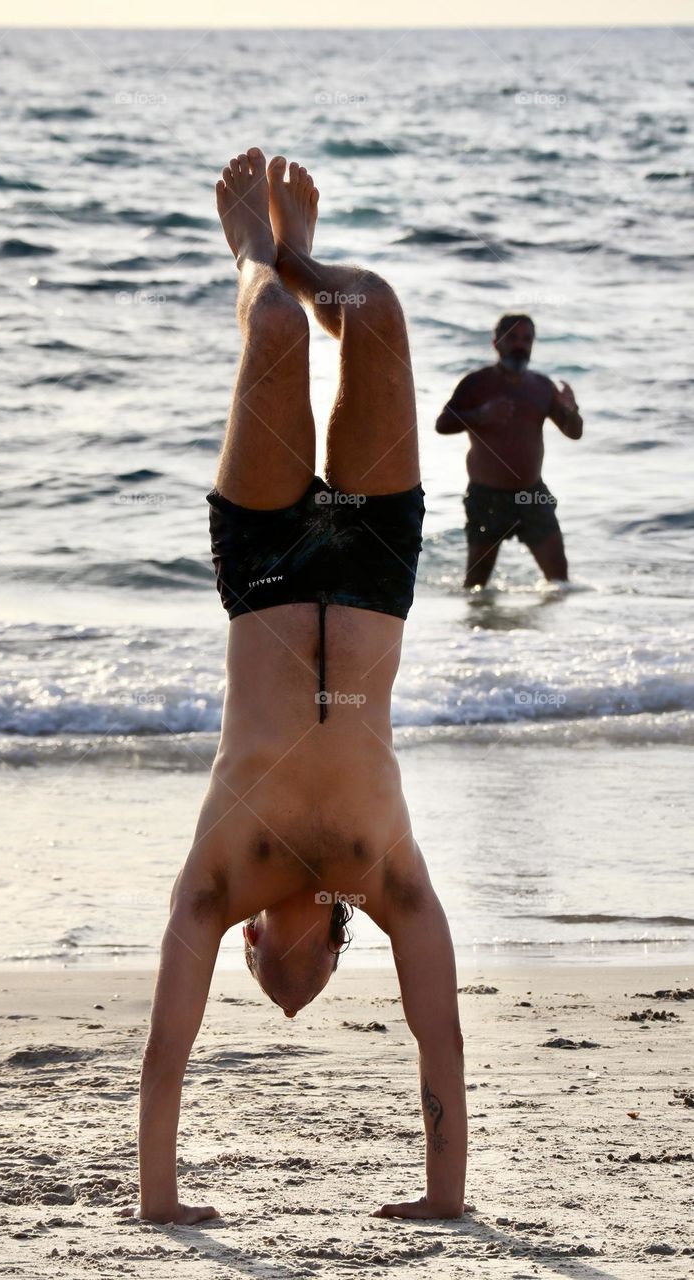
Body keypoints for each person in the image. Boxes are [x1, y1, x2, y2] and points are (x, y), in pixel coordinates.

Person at [131, 148, 467, 1227]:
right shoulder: (385, 873)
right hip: (375, 565)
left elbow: (163, 1057)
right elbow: (442, 1037)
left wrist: (161, 1200)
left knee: (273, 331)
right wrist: (445, 1195)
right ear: (329, 932)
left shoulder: (216, 881)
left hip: (265, 565)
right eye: (323, 972)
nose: (295, 988)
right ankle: (300, 259)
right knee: (369, 310)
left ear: (251, 939)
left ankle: (253, 258)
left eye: (274, 979)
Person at [436, 314, 583, 588]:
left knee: (561, 583)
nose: (520, 345)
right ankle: (477, 631)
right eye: (513, 338)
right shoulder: (476, 383)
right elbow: (442, 424)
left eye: (527, 339)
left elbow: (574, 432)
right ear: (496, 342)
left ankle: (556, 631)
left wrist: (571, 411)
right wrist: (480, 414)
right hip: (487, 498)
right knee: (476, 586)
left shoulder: (541, 386)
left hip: (533, 495)